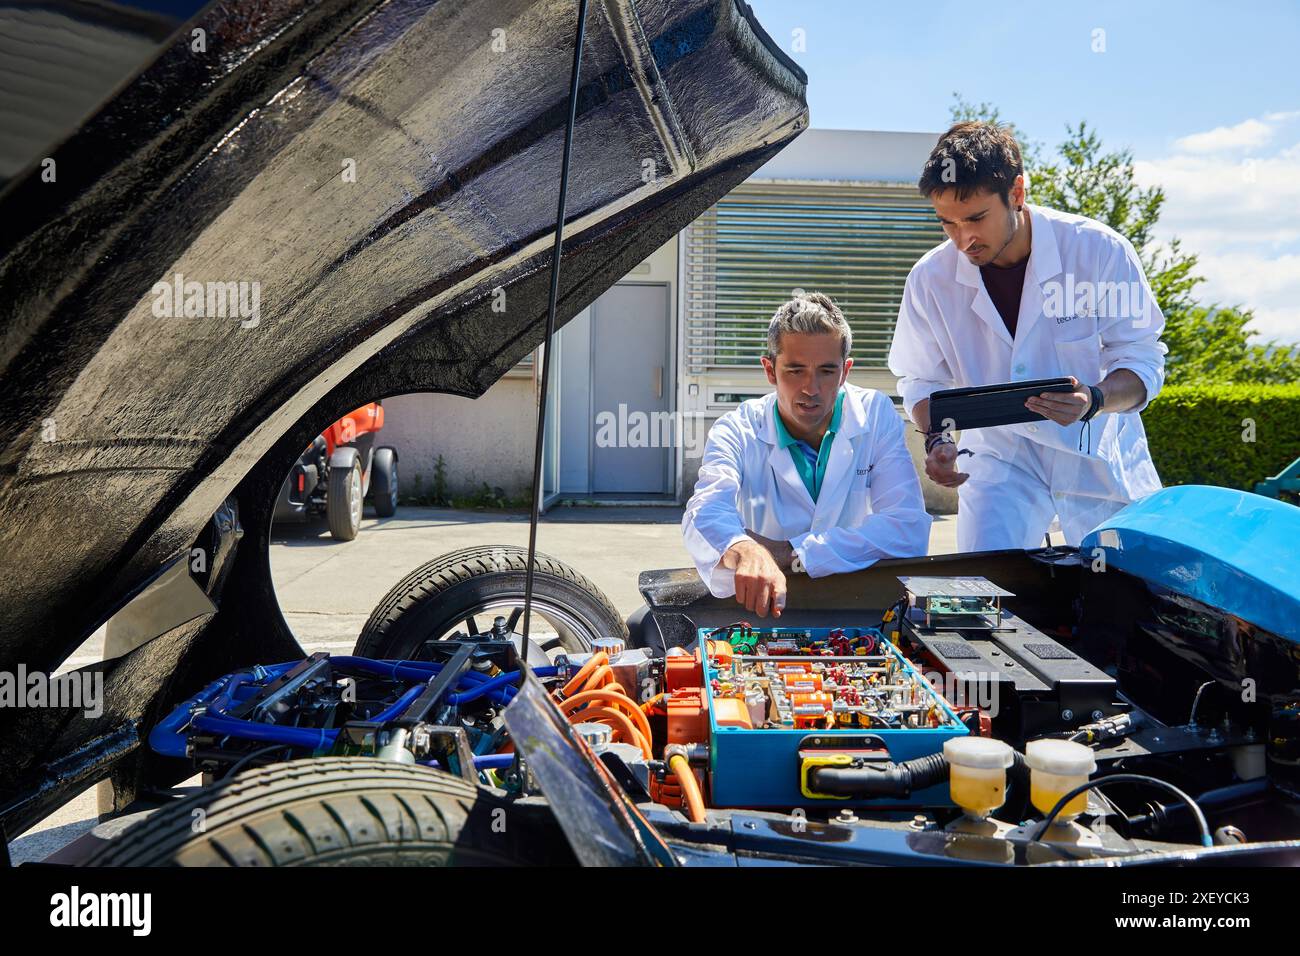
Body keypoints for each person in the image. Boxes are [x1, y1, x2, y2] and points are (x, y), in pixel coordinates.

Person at [888, 121, 1166, 551]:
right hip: (999, 460)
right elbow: (921, 380)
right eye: (948, 223)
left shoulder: (1099, 251)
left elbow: (1142, 361)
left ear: (1017, 193)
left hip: (1097, 459)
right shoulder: (929, 280)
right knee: (989, 591)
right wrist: (939, 438)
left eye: (976, 219)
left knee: (1119, 595)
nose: (964, 240)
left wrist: (1094, 399)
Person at [683, 292, 931, 618]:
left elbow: (907, 529)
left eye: (827, 371)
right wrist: (742, 549)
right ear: (770, 370)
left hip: (857, 604)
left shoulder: (875, 414)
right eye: (795, 370)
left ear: (845, 371)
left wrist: (789, 551)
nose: (811, 389)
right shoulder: (737, 428)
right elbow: (704, 512)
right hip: (763, 609)